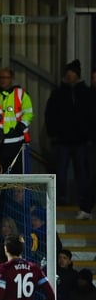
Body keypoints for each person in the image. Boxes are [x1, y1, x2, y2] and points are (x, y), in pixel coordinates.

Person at [45, 59, 92, 219]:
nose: (69, 75)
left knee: (82, 172)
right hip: (63, 140)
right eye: (68, 72)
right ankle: (61, 198)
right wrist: (53, 133)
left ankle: (84, 200)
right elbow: (50, 114)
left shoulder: (85, 93)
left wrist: (88, 135)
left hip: (81, 140)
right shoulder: (59, 93)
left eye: (72, 72)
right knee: (62, 171)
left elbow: (90, 116)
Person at [0, 67, 33, 173]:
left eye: (5, 77)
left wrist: (21, 125)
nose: (2, 80)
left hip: (17, 141)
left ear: (11, 78)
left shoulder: (20, 93)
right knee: (1, 173)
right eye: (0, 78)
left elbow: (28, 112)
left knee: (18, 172)